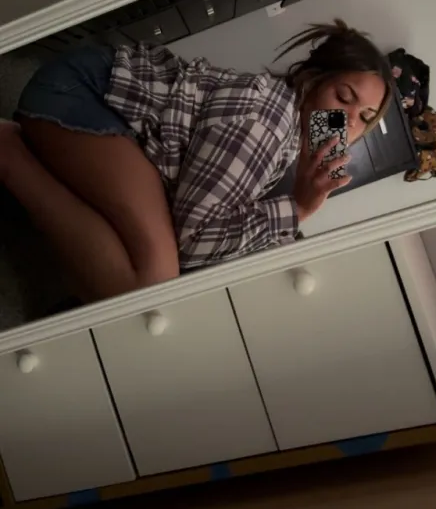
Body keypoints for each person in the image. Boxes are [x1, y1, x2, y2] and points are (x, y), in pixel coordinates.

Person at [0, 19, 393, 303]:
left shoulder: (289, 138)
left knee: (132, 273)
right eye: (344, 97)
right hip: (82, 95)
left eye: (364, 117)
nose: (348, 121)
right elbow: (192, 242)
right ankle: (11, 153)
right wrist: (298, 209)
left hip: (114, 114)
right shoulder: (268, 122)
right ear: (313, 79)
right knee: (153, 282)